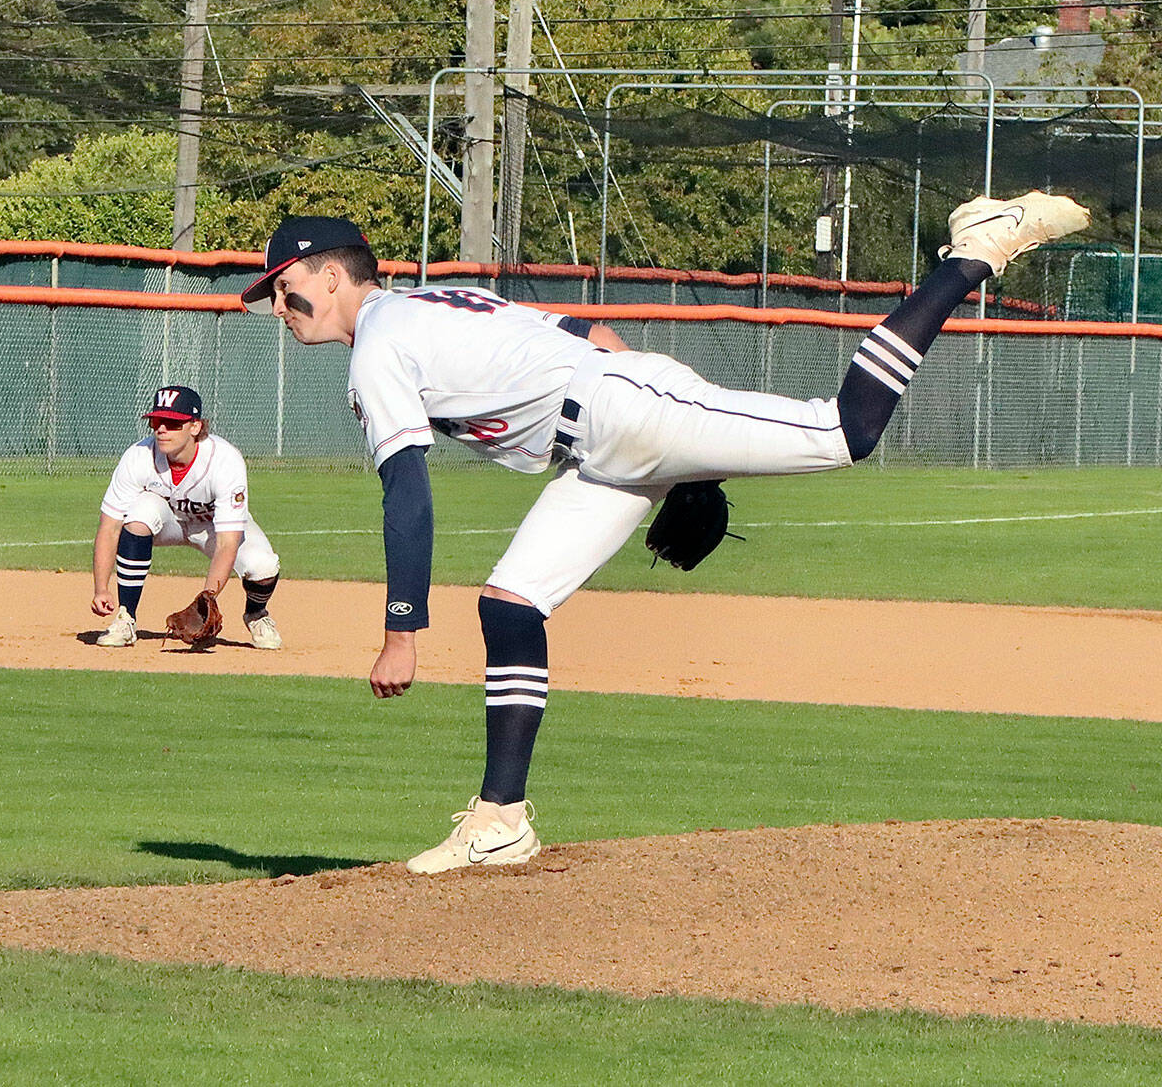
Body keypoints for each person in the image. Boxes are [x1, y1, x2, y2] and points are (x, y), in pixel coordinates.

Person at [240, 195, 1089, 874]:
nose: (279, 306)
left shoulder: (379, 346)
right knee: (510, 605)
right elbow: (585, 331)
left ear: (330, 271)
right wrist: (687, 468)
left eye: (285, 287)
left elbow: (407, 489)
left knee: (844, 432)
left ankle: (973, 253)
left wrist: (401, 631)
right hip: (607, 437)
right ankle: (501, 821)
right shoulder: (426, 306)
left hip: (620, 411)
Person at [92, 384, 283, 650]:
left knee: (262, 565)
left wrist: (206, 601)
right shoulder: (138, 456)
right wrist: (101, 588)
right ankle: (126, 617)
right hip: (169, 521)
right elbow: (109, 527)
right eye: (157, 421)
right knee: (139, 514)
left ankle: (256, 614)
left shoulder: (224, 460)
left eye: (172, 423)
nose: (161, 429)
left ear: (195, 427)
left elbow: (228, 543)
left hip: (214, 528)